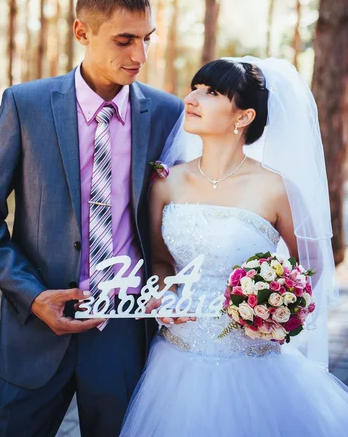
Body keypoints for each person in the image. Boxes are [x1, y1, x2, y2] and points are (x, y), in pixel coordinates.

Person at [0, 0, 184, 437]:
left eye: (147, 39)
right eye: (124, 40)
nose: (139, 55)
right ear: (82, 31)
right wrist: (31, 294)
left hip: (124, 330)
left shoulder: (166, 114)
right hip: (36, 328)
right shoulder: (26, 105)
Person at [120, 57, 348, 437]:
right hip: (176, 360)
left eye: (210, 92)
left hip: (253, 361)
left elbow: (310, 265)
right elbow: (160, 262)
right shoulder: (166, 180)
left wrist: (275, 311)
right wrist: (167, 296)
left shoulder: (276, 188)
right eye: (195, 88)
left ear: (243, 117)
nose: (191, 98)